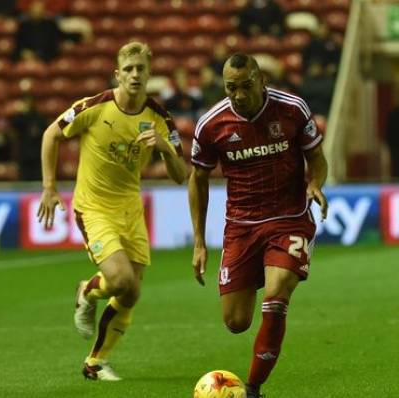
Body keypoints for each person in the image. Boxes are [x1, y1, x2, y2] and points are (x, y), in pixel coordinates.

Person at [37, 42, 188, 381]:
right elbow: (51, 135)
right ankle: (86, 291)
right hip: (94, 207)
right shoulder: (94, 107)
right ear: (117, 74)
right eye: (129, 69)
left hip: (130, 209)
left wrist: (164, 149)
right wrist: (49, 187)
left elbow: (182, 176)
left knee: (132, 291)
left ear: (150, 75)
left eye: (141, 69)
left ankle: (95, 363)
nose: (135, 74)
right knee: (119, 279)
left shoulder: (160, 118)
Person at [188, 53, 328, 398]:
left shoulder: (292, 109)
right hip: (242, 225)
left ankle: (252, 388)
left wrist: (316, 184)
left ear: (261, 79)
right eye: (230, 87)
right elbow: (198, 180)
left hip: (289, 218)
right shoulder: (211, 124)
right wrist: (199, 241)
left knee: (276, 296)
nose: (238, 94)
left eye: (245, 85)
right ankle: (260, 270)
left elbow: (317, 159)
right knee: (236, 322)